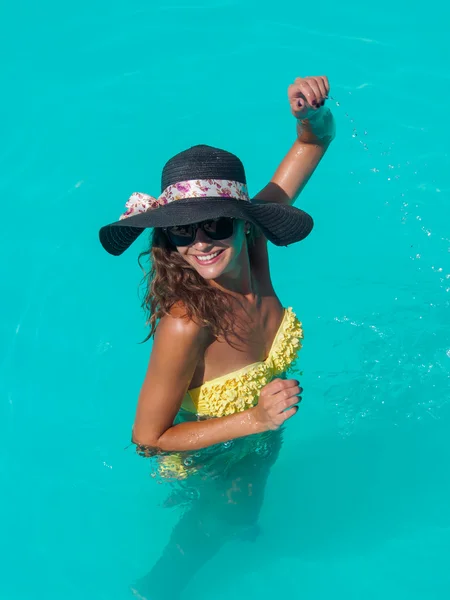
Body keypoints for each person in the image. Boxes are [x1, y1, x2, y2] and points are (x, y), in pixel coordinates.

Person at [99, 75, 335, 599]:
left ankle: (236, 523)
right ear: (166, 237)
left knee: (244, 506)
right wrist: (256, 418)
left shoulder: (256, 254)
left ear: (245, 224)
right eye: (181, 230)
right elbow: (147, 441)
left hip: (259, 428)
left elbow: (311, 144)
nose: (199, 243)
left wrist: (310, 114)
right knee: (222, 520)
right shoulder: (186, 324)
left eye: (214, 226)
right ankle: (155, 588)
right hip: (207, 449)